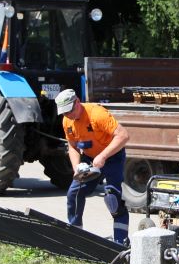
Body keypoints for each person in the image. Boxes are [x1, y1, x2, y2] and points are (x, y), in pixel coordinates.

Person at [55, 88, 131, 245]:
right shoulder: (67, 121)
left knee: (112, 198)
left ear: (77, 102)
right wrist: (76, 168)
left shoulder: (97, 114)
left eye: (70, 111)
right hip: (90, 159)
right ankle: (76, 236)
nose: (68, 115)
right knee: (74, 193)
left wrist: (103, 156)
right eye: (64, 113)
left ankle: (121, 241)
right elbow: (73, 146)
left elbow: (123, 135)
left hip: (112, 157)